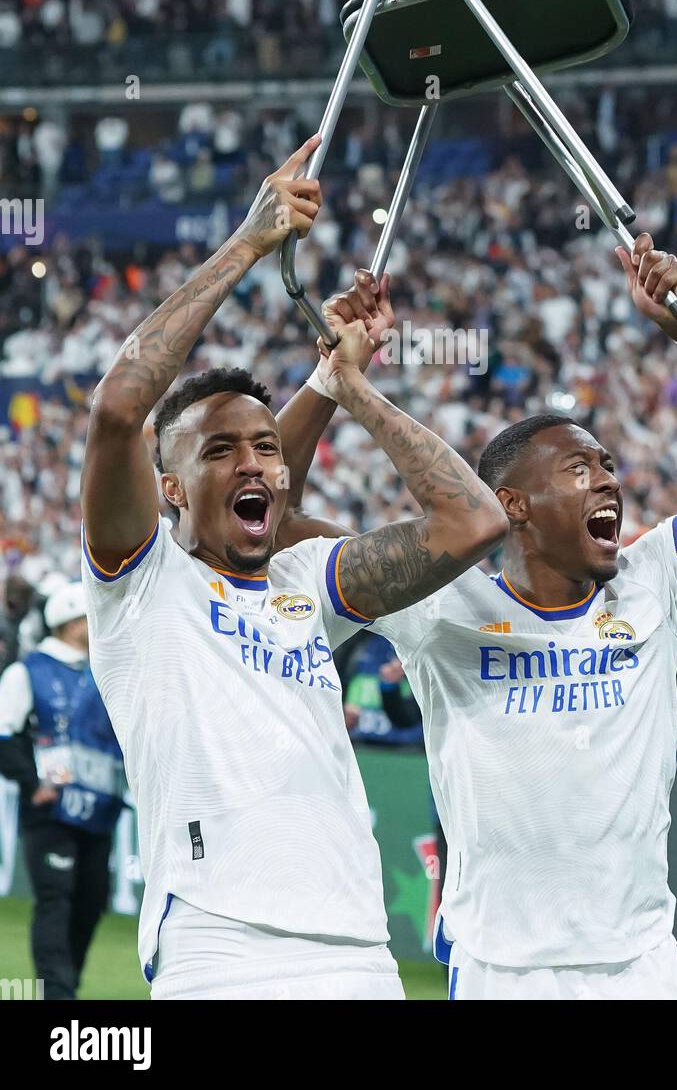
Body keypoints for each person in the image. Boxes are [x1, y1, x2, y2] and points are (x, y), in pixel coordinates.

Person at [288, 233, 677, 999]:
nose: (608, 482)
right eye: (580, 469)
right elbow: (278, 520)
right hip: (505, 973)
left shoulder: (651, 579)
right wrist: (331, 380)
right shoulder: (438, 602)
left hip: (644, 969)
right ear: (514, 507)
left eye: (607, 465)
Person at [79, 136, 507, 1001]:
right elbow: (121, 406)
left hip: (355, 948)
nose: (254, 465)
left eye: (267, 452)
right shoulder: (139, 579)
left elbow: (473, 523)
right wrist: (250, 243)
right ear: (169, 486)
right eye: (219, 451)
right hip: (217, 948)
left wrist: (344, 383)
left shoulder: (304, 580)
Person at [0, 581, 125, 1000]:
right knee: (56, 900)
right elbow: (5, 733)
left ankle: (64, 987)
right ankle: (56, 994)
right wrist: (32, 784)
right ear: (69, 622)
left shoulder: (107, 672)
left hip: (100, 810)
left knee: (90, 905)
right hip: (51, 811)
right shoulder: (28, 670)